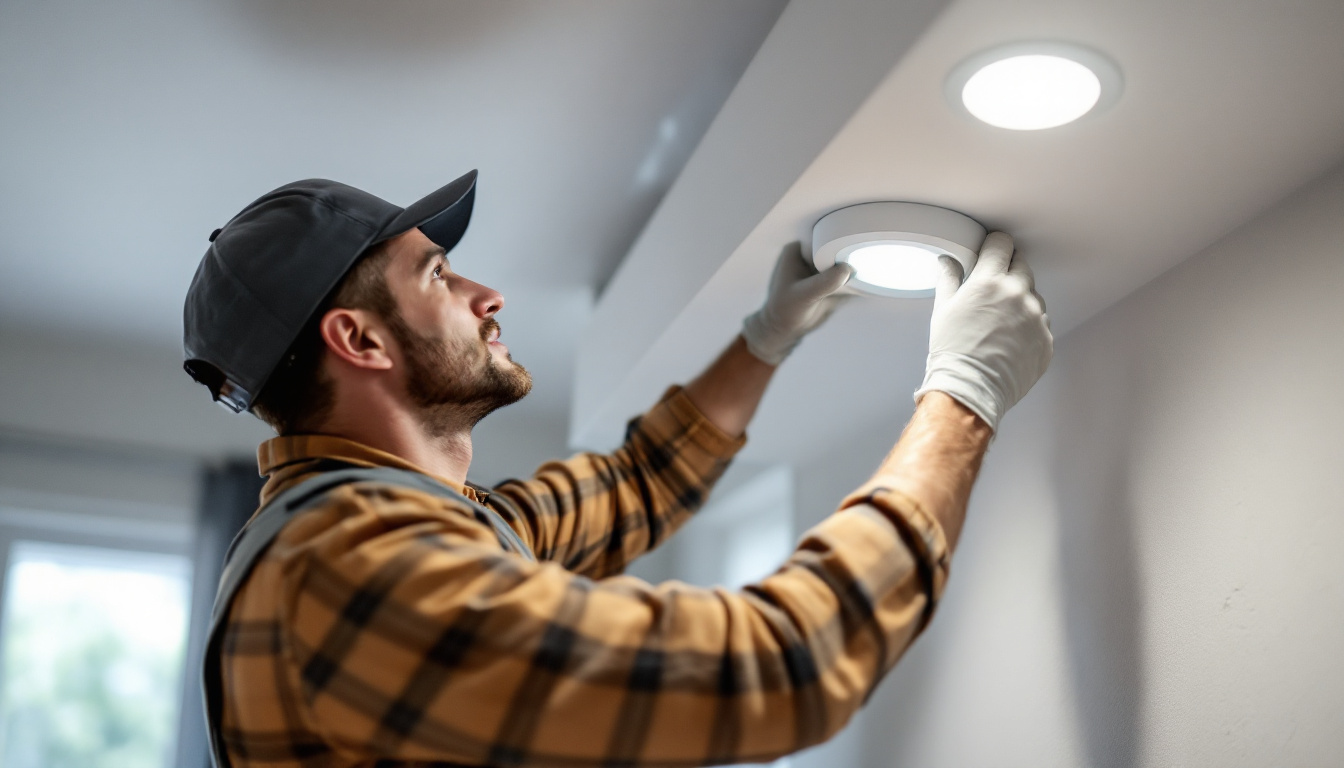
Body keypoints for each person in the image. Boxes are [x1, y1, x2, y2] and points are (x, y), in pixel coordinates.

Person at [183, 169, 1051, 768]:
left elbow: (637, 482)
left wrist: (765, 339)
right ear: (360, 340)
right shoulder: (344, 565)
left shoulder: (422, 524)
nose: (487, 297)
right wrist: (963, 397)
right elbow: (784, 667)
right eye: (438, 274)